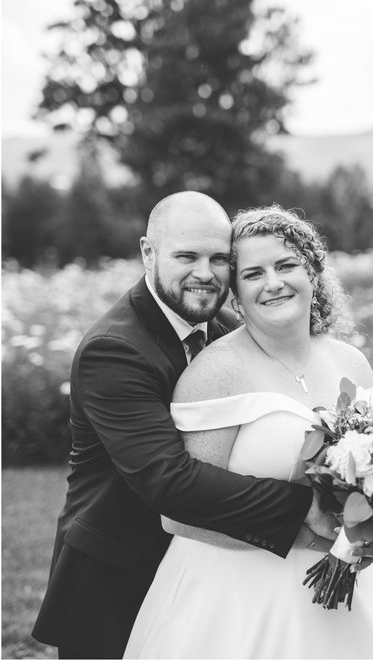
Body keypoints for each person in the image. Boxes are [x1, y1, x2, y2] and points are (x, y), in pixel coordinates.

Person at [32, 192, 341, 659]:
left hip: (210, 570)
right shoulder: (114, 349)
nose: (205, 272)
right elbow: (168, 480)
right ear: (148, 253)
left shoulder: (220, 328)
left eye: (220, 258)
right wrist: (306, 508)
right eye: (187, 256)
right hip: (118, 578)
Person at [123, 205, 373, 658]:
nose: (274, 283)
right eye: (253, 273)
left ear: (313, 275)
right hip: (234, 601)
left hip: (348, 590)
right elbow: (182, 515)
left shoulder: (351, 362)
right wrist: (313, 537)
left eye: (286, 265)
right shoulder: (215, 373)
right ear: (236, 296)